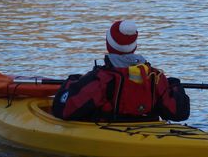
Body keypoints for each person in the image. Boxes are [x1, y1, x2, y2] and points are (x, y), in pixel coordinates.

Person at [52, 20, 190, 122]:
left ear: (109, 45)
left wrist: (72, 82)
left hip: (111, 131)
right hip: (146, 128)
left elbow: (63, 110)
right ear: (134, 47)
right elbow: (179, 113)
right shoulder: (155, 76)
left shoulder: (101, 80)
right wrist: (174, 85)